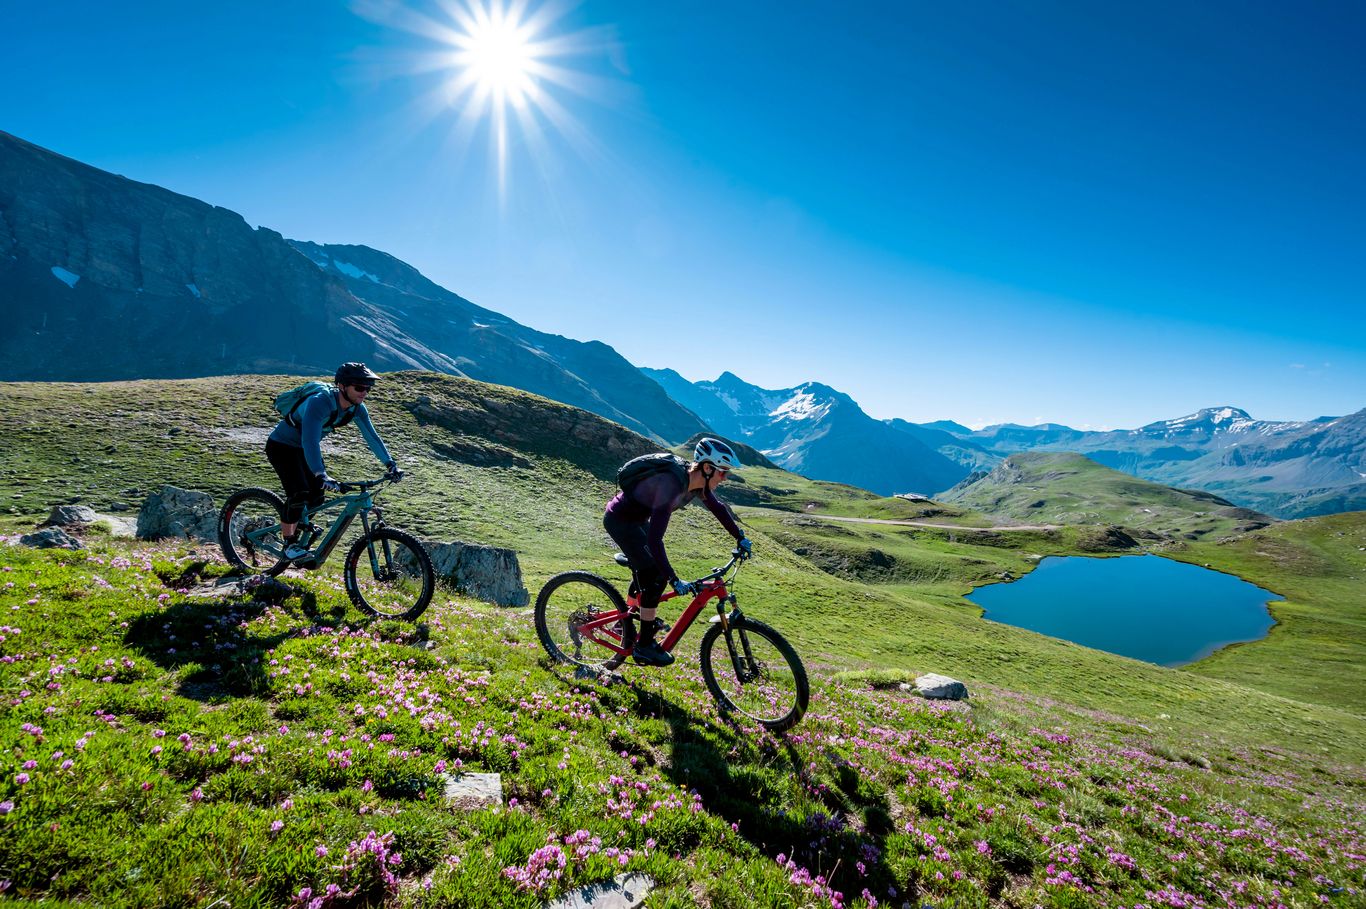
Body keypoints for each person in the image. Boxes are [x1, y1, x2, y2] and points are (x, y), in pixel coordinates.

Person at [604, 437, 752, 666]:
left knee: (649, 571)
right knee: (657, 575)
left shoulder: (697, 484)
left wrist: (740, 537)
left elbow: (718, 508)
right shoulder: (671, 485)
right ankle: (644, 646)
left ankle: (627, 620)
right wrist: (674, 580)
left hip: (638, 520)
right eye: (723, 472)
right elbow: (655, 540)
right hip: (621, 521)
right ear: (706, 468)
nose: (725, 478)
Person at [266, 362, 401, 562]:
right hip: (282, 446)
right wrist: (321, 473)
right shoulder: (319, 402)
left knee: (317, 498)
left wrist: (390, 464)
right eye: (359, 388)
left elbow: (372, 437)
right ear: (342, 386)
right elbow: (309, 440)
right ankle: (289, 543)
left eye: (368, 388)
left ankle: (300, 527)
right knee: (299, 493)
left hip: (305, 450)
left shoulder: (356, 409)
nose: (364, 392)